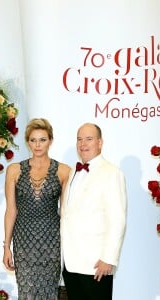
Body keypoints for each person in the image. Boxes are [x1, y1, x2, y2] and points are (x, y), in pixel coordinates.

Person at [3, 118, 70, 300]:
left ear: (51, 141)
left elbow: (65, 213)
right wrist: (6, 246)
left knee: (49, 291)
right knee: (27, 291)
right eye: (33, 140)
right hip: (23, 239)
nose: (37, 145)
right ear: (27, 142)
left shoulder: (64, 171)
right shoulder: (14, 170)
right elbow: (11, 211)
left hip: (51, 240)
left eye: (42, 140)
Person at [60, 123, 127, 300]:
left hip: (96, 264)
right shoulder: (73, 171)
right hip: (70, 262)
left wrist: (109, 258)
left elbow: (117, 219)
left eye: (89, 139)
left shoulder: (112, 172)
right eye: (79, 139)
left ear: (100, 142)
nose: (83, 144)